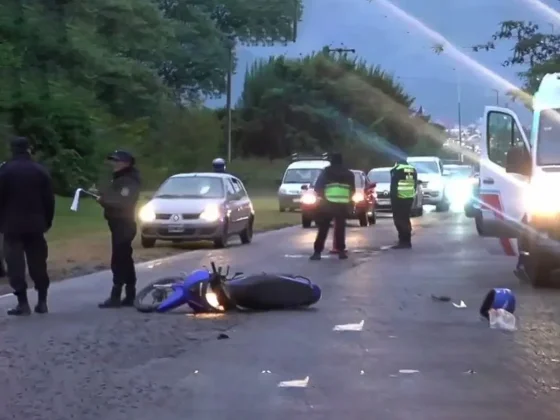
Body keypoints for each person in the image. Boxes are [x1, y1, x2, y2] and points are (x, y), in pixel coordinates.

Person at [0, 137, 55, 315]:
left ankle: (23, 303)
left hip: (12, 225)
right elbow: (49, 200)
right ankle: (42, 301)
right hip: (36, 224)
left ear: (12, 149)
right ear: (29, 149)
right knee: (38, 263)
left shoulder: (5, 171)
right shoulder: (40, 171)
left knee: (15, 264)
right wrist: (47, 221)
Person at [97, 150, 141, 308]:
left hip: (124, 224)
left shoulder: (129, 181)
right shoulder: (120, 180)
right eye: (113, 161)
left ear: (126, 163)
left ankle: (116, 295)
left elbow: (123, 202)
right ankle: (130, 294)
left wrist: (104, 201)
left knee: (119, 260)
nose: (114, 164)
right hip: (118, 224)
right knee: (125, 259)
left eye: (118, 161)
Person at [310, 153, 355, 260]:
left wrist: (324, 197)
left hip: (327, 204)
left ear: (331, 161)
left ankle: (317, 252)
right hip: (343, 205)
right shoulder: (349, 174)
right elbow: (352, 190)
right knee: (340, 229)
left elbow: (318, 188)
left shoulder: (326, 172)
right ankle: (341, 252)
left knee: (323, 229)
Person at [390, 159, 418, 249]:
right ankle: (407, 241)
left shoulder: (397, 169)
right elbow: (415, 184)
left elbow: (394, 186)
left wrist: (393, 199)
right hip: (409, 198)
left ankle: (403, 241)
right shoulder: (413, 169)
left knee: (399, 220)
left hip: (399, 198)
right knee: (406, 219)